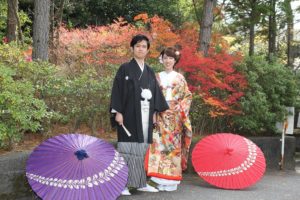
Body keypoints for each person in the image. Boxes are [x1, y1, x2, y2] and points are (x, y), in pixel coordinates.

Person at [110, 34, 169, 195]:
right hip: (128, 114)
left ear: (148, 50)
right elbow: (117, 91)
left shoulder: (149, 71)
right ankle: (122, 184)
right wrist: (118, 112)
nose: (141, 49)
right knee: (127, 148)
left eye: (144, 46)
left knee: (141, 149)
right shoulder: (125, 68)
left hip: (145, 115)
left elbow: (156, 93)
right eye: (138, 46)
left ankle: (140, 182)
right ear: (132, 48)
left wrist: (155, 113)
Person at [145, 47, 193, 191]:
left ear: (175, 60)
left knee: (173, 147)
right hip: (160, 114)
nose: (168, 60)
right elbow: (151, 96)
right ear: (162, 59)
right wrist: (153, 114)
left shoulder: (180, 77)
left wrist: (180, 107)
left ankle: (171, 180)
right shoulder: (156, 76)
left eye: (171, 58)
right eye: (165, 57)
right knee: (158, 145)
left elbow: (188, 96)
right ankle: (159, 179)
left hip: (175, 116)